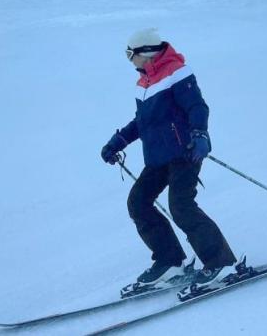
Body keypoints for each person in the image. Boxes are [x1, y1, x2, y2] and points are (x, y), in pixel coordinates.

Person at [101, 28, 240, 293]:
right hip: (157, 157)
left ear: (146, 52)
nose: (129, 59)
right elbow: (142, 122)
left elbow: (197, 106)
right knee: (138, 202)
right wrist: (117, 141)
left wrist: (200, 133)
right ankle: (170, 261)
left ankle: (221, 262)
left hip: (186, 152)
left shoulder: (177, 72)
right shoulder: (144, 83)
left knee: (181, 206)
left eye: (130, 54)